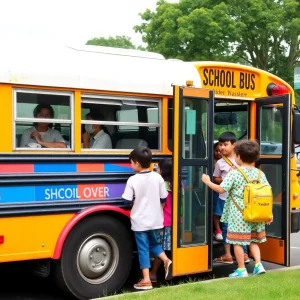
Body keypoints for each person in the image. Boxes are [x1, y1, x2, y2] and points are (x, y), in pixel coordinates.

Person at [202, 140, 272, 277]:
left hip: (238, 215)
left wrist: (207, 181)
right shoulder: (259, 174)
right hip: (256, 214)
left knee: (237, 242)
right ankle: (258, 264)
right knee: (253, 241)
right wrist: (269, 213)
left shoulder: (235, 173)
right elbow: (267, 192)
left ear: (238, 156)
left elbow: (221, 189)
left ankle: (241, 269)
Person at [122, 147, 172, 290]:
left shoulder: (132, 180)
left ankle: (146, 280)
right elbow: (163, 197)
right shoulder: (158, 177)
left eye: (131, 163)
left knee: (143, 248)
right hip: (156, 219)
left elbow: (125, 201)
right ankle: (166, 260)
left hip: (140, 221)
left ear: (136, 163)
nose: (131, 166)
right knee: (153, 244)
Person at [213, 132, 249, 264]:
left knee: (240, 226)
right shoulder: (220, 163)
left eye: (225, 144)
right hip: (224, 198)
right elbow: (216, 178)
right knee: (225, 226)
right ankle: (228, 254)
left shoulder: (242, 160)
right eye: (220, 144)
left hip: (239, 199)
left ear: (234, 145)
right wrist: (225, 177)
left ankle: (244, 253)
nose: (222, 147)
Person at [149, 158, 173, 283]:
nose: (156, 170)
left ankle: (153, 273)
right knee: (167, 247)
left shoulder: (163, 185)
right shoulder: (178, 183)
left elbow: (161, 206)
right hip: (174, 221)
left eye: (158, 168)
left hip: (163, 221)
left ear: (162, 171)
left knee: (159, 247)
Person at [213, 142, 223, 241]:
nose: (218, 153)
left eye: (220, 151)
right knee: (216, 211)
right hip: (216, 190)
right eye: (216, 151)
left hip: (225, 191)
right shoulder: (213, 162)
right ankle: (218, 230)